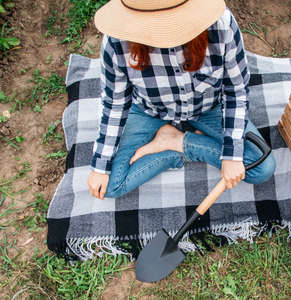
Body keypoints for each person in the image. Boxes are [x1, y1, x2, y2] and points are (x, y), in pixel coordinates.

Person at [88, 0, 276, 200]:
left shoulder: (221, 25)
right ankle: (176, 143)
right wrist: (101, 165)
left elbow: (235, 90)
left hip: (208, 108)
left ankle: (177, 141)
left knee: (261, 167)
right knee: (108, 186)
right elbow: (115, 103)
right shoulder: (115, 42)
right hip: (149, 110)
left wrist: (232, 155)